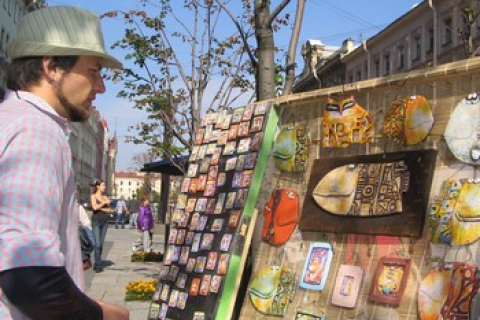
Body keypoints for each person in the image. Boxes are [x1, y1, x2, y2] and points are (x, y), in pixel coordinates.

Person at [0, 6, 129, 320]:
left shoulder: (9, 118)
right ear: (52, 68)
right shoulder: (36, 130)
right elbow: (29, 277)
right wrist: (103, 315)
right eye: (93, 71)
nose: (101, 88)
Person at [90, 179, 111, 272]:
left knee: (101, 245)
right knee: (97, 244)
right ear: (98, 186)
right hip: (96, 222)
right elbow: (94, 207)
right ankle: (98, 265)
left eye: (105, 186)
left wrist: (103, 206)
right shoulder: (93, 196)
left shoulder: (105, 197)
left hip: (105, 222)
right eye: (103, 186)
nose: (104, 187)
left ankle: (97, 262)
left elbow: (109, 211)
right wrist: (104, 203)